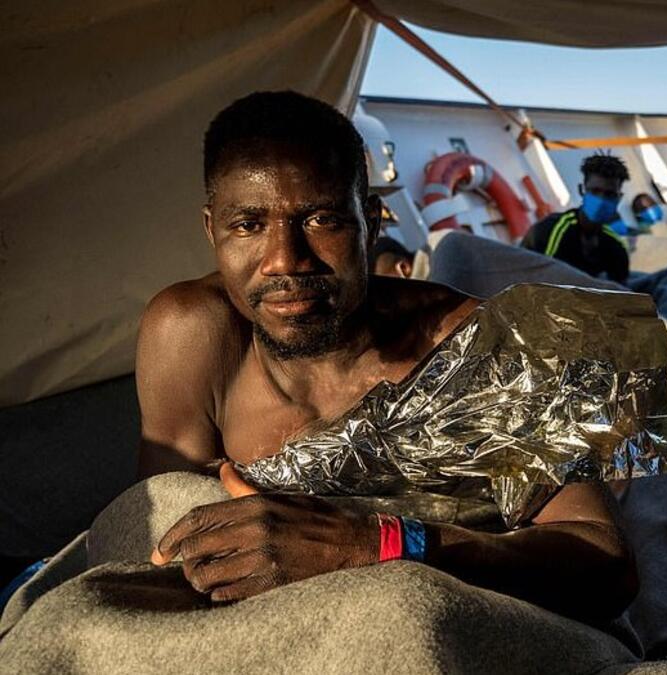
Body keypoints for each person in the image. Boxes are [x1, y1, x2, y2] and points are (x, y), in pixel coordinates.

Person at [134, 91, 635, 622]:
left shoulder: (484, 348)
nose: (285, 260)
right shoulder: (193, 332)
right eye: (248, 226)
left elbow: (608, 568)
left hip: (467, 619)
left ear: (370, 222)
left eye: (322, 220)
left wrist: (378, 544)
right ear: (212, 229)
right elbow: (162, 540)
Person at [521, 153, 630, 283]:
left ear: (619, 198)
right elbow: (536, 280)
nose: (601, 200)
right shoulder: (550, 230)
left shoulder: (616, 246)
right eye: (595, 191)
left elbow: (621, 292)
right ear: (581, 190)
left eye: (609, 194)